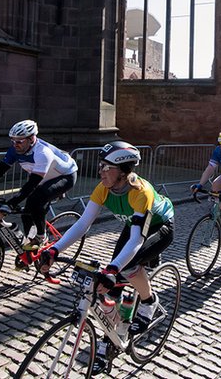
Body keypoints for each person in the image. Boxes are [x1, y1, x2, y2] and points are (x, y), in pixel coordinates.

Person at [38, 141, 174, 374]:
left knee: (125, 267)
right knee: (110, 291)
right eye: (101, 165)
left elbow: (136, 241)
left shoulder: (140, 192)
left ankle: (150, 301)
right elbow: (82, 224)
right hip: (134, 225)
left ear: (122, 171)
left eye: (106, 167)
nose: (100, 171)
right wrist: (54, 250)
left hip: (160, 226)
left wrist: (113, 269)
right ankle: (112, 338)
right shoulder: (103, 188)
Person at [0, 120, 78, 267]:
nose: (15, 144)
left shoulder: (42, 153)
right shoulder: (15, 150)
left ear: (31, 139)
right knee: (27, 214)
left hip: (65, 176)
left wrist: (10, 204)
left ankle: (41, 237)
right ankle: (31, 252)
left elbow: (31, 184)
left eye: (19, 141)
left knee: (34, 200)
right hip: (44, 178)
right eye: (12, 141)